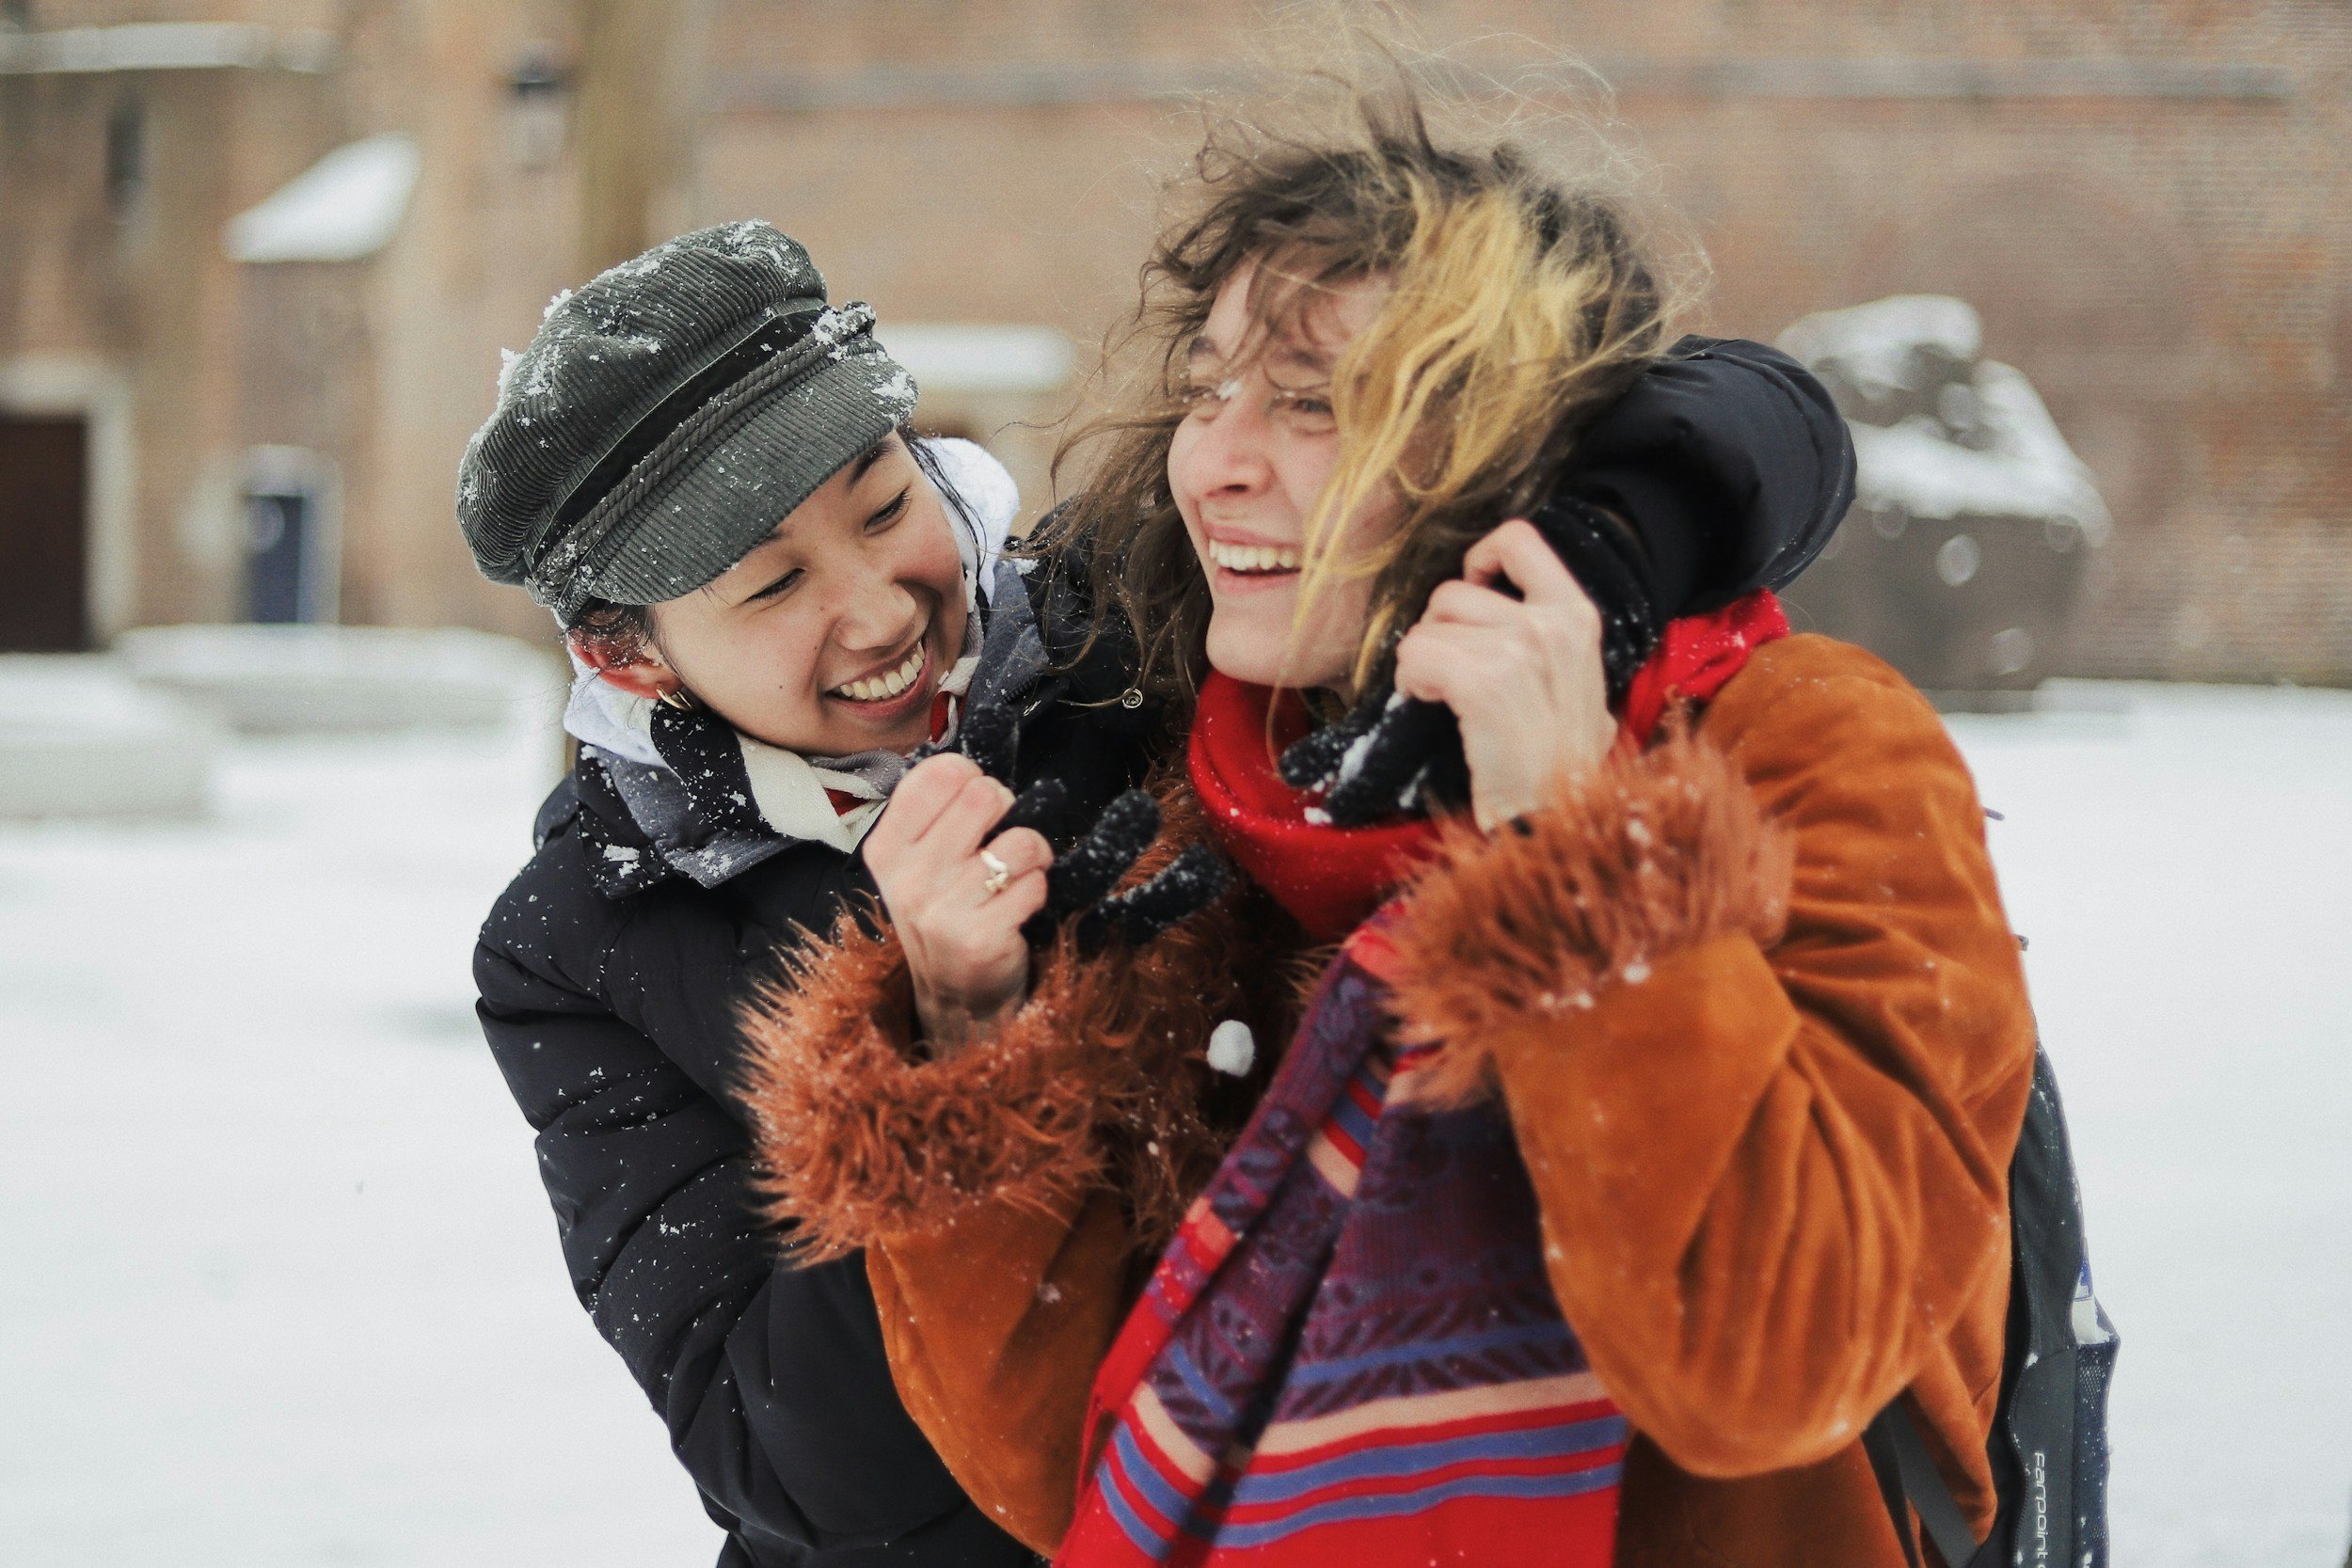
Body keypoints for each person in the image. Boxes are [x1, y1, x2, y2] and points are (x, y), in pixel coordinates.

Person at [739, 82, 2034, 1568]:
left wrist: (1574, 859)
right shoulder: (1199, 831)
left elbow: (1777, 1369)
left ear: (1515, 450)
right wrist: (971, 1034)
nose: (1216, 458)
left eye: (1314, 403)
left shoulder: (1800, 757)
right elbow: (1069, 1473)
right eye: (1211, 385)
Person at [458, 211, 1853, 1566]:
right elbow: (798, 1470)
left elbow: (1763, 413)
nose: (882, 607)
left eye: (887, 507)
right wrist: (949, 1048)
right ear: (633, 658)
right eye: (770, 591)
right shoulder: (584, 945)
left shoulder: (1130, 617)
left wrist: (1596, 539)